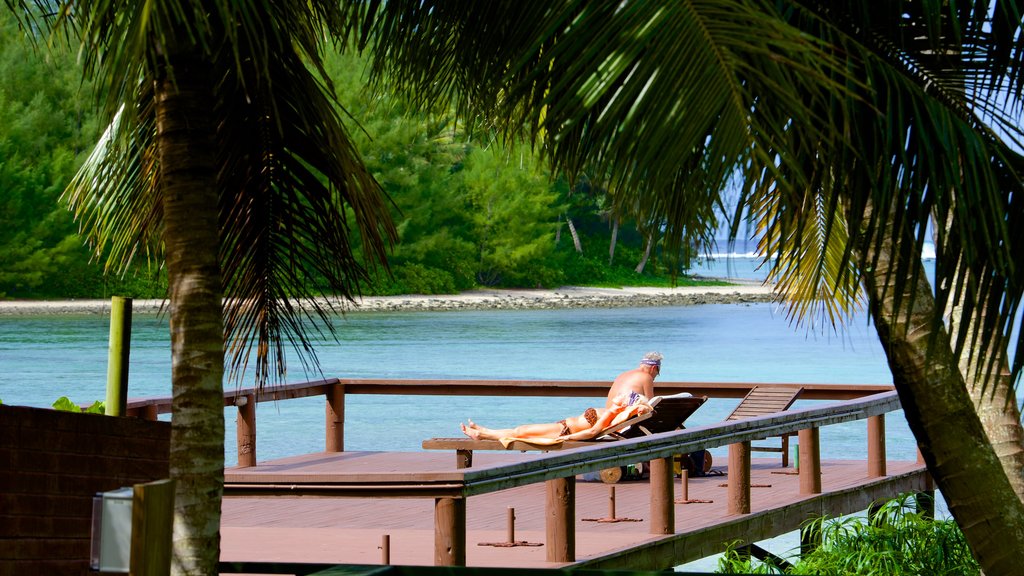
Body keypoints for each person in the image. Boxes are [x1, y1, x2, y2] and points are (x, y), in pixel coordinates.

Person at [460, 392, 653, 442]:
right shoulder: (614, 412)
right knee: (522, 431)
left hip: (564, 430)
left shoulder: (612, 412)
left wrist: (567, 437)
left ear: (625, 403)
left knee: (521, 431)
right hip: (563, 426)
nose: (618, 395)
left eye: (622, 396)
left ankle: (483, 434)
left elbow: (593, 431)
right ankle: (484, 431)